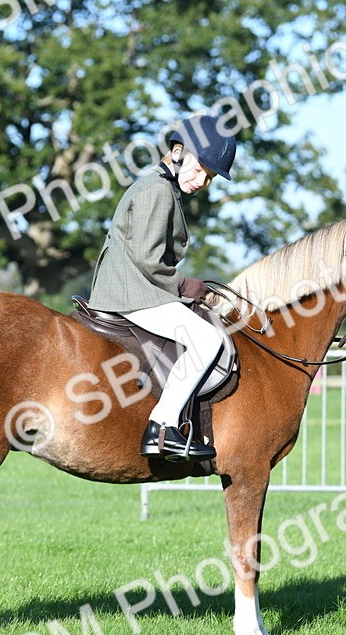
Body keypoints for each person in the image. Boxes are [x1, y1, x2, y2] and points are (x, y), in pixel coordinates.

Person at [88, 114, 236, 461]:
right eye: (201, 171)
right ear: (179, 151)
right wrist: (186, 286)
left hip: (135, 286)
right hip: (133, 292)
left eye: (210, 178)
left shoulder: (161, 187)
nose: (202, 182)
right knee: (208, 339)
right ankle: (162, 427)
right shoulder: (157, 190)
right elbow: (147, 259)